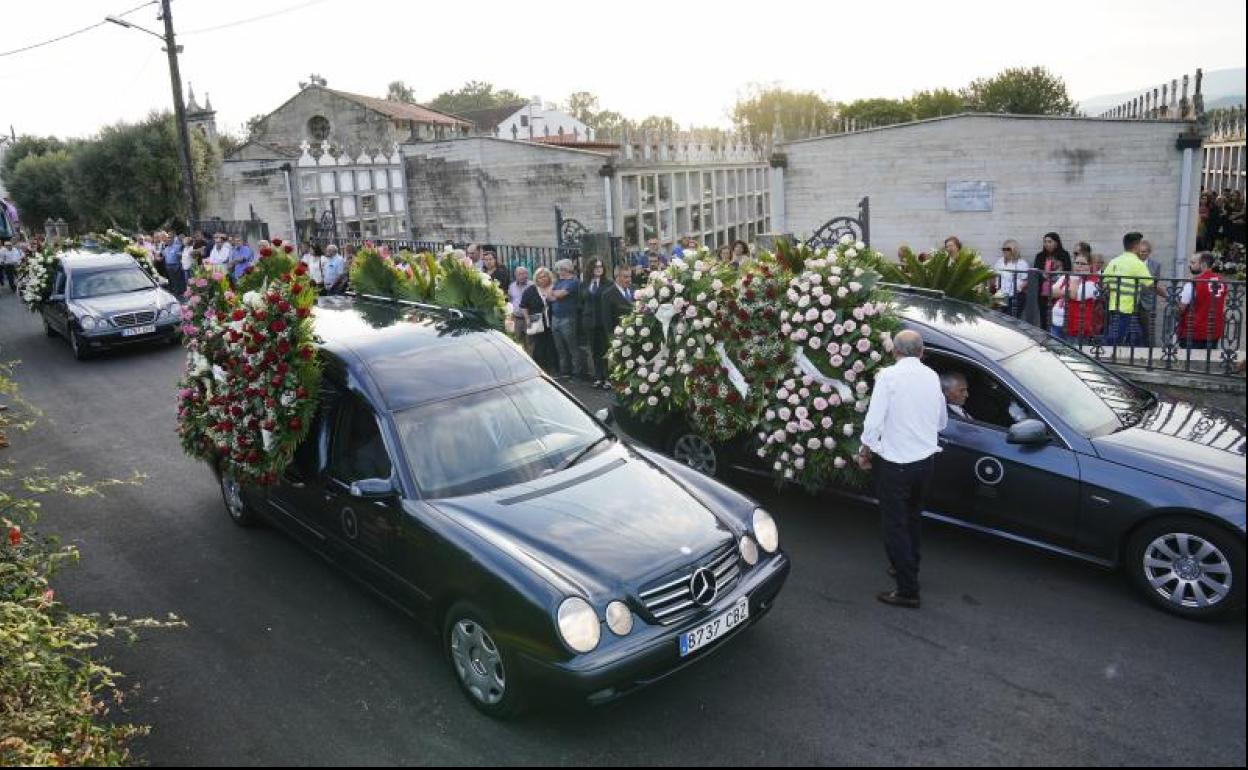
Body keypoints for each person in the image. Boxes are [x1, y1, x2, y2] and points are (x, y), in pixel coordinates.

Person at [856, 330, 945, 609]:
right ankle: (907, 565)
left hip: (896, 464)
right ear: (921, 352)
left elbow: (873, 421)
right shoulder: (932, 377)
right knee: (913, 517)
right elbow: (941, 421)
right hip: (926, 462)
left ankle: (907, 589)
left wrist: (865, 450)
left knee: (895, 524)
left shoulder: (888, 377)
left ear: (895, 352)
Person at [1102, 232, 1153, 347]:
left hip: (1114, 304)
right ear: (1136, 245)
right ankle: (1105, 353)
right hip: (1126, 307)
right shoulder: (1137, 263)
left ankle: (1108, 351)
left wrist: (1109, 288)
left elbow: (1104, 281)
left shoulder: (1115, 261)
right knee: (1116, 336)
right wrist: (1168, 295)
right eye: (1140, 244)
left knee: (1132, 334)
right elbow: (1151, 284)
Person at [1177, 251, 1227, 350]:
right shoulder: (1221, 281)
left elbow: (1181, 309)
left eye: (1193, 263)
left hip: (1194, 332)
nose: (1189, 265)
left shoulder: (1193, 284)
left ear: (1203, 265)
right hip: (1213, 331)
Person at [1053, 253, 1101, 341]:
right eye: (1077, 263)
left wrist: (1073, 280)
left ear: (1090, 265)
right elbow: (1052, 292)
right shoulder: (1066, 276)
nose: (1079, 266)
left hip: (1077, 326)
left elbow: (1075, 295)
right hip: (1057, 322)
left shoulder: (1093, 281)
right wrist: (1067, 291)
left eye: (1082, 264)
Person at [579, 258, 610, 388]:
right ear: (590, 268)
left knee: (605, 350)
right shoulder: (584, 284)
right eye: (596, 266)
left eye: (601, 266)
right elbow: (580, 303)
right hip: (589, 322)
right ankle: (598, 377)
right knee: (594, 350)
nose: (599, 269)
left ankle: (607, 378)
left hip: (603, 322)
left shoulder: (608, 284)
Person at [550, 259, 583, 379]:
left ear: (567, 269)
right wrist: (555, 293)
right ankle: (564, 371)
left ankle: (577, 372)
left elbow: (559, 294)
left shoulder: (574, 282)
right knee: (560, 347)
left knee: (572, 347)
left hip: (568, 318)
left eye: (561, 269)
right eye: (558, 269)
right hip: (555, 317)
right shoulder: (559, 282)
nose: (559, 272)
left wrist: (555, 293)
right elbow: (550, 296)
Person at [520, 267, 557, 371]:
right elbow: (523, 305)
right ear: (536, 279)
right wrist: (527, 319)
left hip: (552, 321)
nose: (542, 279)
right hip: (537, 323)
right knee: (539, 346)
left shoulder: (554, 287)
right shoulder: (530, 290)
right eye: (540, 277)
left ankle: (553, 368)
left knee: (552, 345)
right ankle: (541, 368)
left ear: (549, 277)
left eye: (545, 276)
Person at [1033, 232, 1072, 328]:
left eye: (1049, 241)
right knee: (1044, 317)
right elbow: (1036, 271)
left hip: (1058, 291)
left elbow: (1068, 271)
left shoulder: (1064, 255)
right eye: (1045, 242)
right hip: (1043, 292)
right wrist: (1044, 275)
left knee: (1057, 317)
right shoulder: (1040, 256)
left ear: (1056, 243)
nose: (1047, 244)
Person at [1134, 239, 1166, 347]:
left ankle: (1149, 349)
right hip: (1133, 300)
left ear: (1149, 252)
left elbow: (1155, 284)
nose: (1142, 253)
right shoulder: (1133, 263)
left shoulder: (1156, 265)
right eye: (1140, 251)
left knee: (1148, 329)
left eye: (1144, 251)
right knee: (1132, 329)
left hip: (1148, 301)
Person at [993, 239, 1028, 317]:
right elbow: (995, 275)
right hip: (1000, 294)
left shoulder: (1021, 263)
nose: (1005, 251)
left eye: (1008, 249)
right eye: (1003, 249)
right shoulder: (1000, 261)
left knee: (1011, 319)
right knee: (999, 318)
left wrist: (1018, 289)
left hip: (1015, 295)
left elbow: (1026, 280)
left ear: (1014, 250)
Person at [601, 264, 635, 336]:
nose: (629, 280)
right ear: (617, 277)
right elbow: (607, 321)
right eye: (626, 277)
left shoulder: (634, 290)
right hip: (620, 338)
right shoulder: (608, 295)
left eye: (630, 276)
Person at [507, 266, 532, 343]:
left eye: (524, 273)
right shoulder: (512, 286)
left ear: (527, 275)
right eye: (519, 274)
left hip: (529, 319)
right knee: (517, 343)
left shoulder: (532, 285)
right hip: (516, 319)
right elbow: (510, 301)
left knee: (530, 343)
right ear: (516, 276)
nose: (522, 276)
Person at [162, 233, 185, 297]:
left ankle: (181, 291)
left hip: (176, 265)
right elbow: (164, 257)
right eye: (167, 240)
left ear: (172, 240)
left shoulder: (177, 246)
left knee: (179, 279)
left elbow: (181, 253)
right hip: (168, 266)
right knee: (172, 279)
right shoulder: (165, 249)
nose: (168, 241)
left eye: (170, 240)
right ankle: (176, 292)